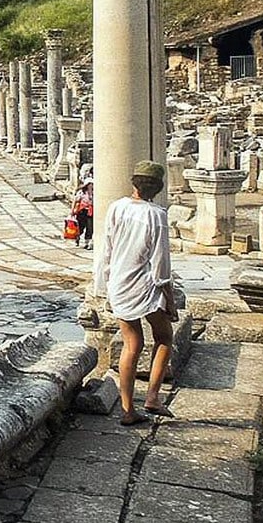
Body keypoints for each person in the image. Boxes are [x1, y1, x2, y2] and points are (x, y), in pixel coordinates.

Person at [94, 160, 176, 426]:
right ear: (158, 188)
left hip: (119, 282)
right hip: (144, 285)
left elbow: (106, 248)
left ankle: (128, 409)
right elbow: (161, 264)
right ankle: (152, 396)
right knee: (164, 337)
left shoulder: (117, 207)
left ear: (134, 183)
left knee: (132, 345)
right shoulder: (156, 215)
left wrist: (105, 284)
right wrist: (170, 298)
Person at [71, 167, 95, 250]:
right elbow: (75, 201)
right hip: (82, 212)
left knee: (90, 227)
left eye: (92, 184)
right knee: (81, 227)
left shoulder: (95, 192)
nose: (91, 186)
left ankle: (87, 243)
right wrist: (72, 211)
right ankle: (77, 238)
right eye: (89, 184)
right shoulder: (81, 192)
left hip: (91, 212)